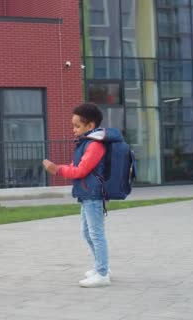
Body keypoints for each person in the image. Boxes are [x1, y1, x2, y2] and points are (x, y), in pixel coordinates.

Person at [42, 103, 112, 288]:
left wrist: (56, 169)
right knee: (87, 233)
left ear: (90, 126)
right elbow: (76, 167)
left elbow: (80, 170)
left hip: (93, 195)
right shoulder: (86, 143)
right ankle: (100, 267)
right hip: (87, 194)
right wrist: (63, 168)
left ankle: (103, 273)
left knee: (96, 234)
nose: (73, 130)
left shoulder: (95, 146)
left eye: (77, 126)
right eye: (73, 125)